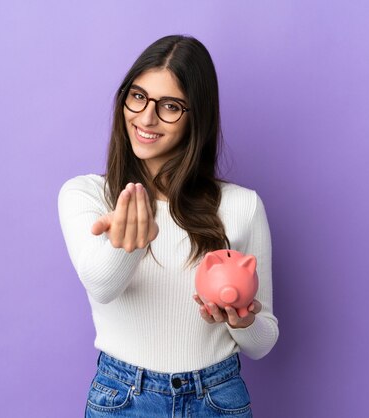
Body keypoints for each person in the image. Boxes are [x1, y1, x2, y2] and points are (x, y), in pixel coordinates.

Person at [58, 34, 279, 417]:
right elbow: (102, 286)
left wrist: (243, 321)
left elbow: (264, 342)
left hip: (216, 397)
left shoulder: (241, 206)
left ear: (198, 117)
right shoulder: (87, 195)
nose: (146, 117)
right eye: (138, 96)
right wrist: (131, 243)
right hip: (123, 398)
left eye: (170, 106)